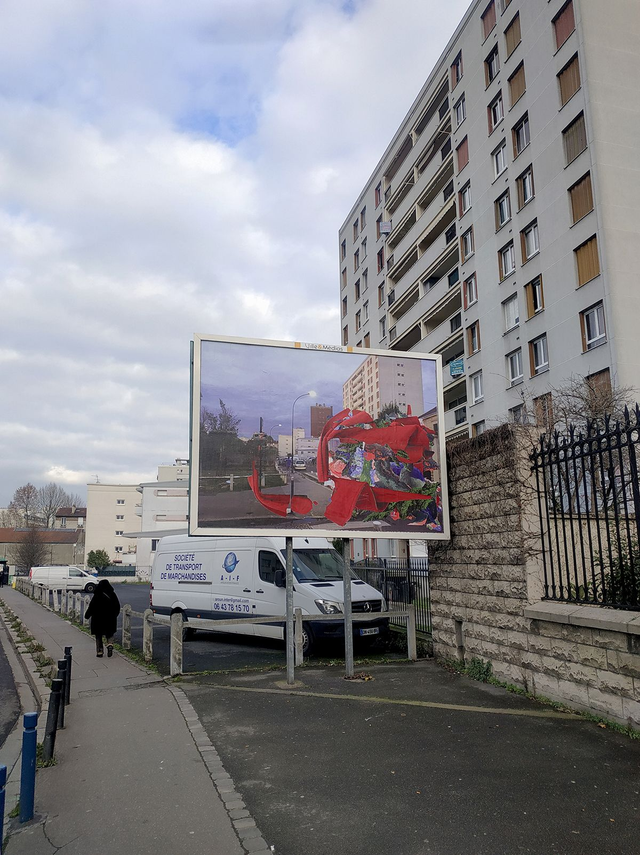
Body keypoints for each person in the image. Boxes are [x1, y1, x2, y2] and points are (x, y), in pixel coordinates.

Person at [85, 579, 120, 658]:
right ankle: (110, 644)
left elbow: (91, 607)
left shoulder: (97, 595)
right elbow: (117, 606)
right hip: (110, 619)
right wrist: (114, 615)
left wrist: (87, 615)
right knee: (109, 633)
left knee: (98, 635)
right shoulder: (112, 594)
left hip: (98, 619)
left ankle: (99, 651)